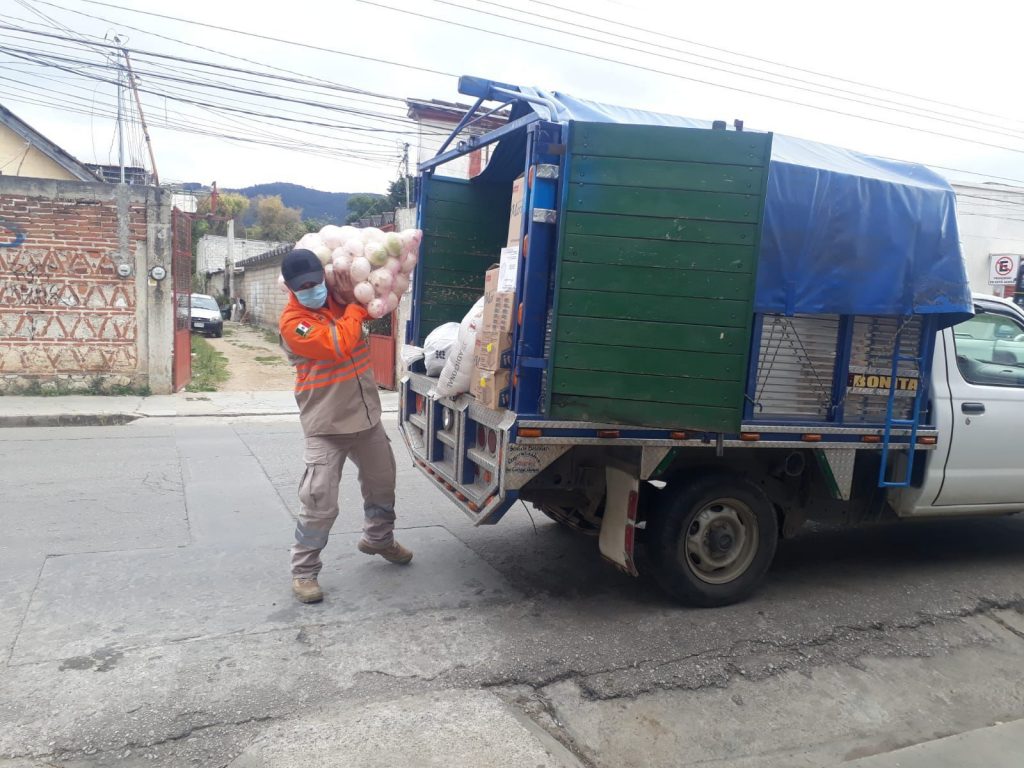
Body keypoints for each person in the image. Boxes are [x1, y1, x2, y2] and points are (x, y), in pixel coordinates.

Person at [278, 248, 412, 604]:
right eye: (302, 286)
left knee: (383, 484)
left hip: (365, 417)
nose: (311, 289)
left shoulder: (336, 299)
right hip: (326, 424)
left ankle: (379, 539)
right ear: (292, 288)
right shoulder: (294, 322)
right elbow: (337, 343)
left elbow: (372, 298)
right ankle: (304, 571)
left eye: (315, 282)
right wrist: (354, 309)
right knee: (319, 501)